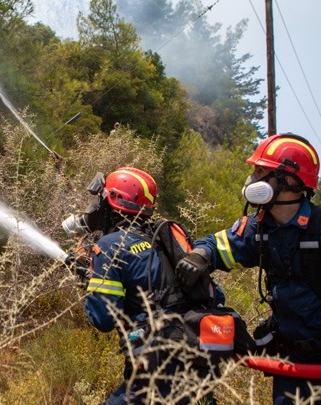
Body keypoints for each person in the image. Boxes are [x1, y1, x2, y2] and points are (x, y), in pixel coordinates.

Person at [175, 133, 321, 405]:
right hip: (292, 363)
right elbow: (219, 245)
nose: (252, 179)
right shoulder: (259, 228)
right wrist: (200, 255)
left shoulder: (318, 227)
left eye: (261, 171)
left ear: (289, 180)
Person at [63, 167, 218, 404]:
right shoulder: (161, 237)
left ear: (113, 202)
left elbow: (103, 319)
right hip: (196, 360)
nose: (95, 207)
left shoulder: (110, 246)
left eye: (101, 200)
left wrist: (90, 285)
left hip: (158, 371)